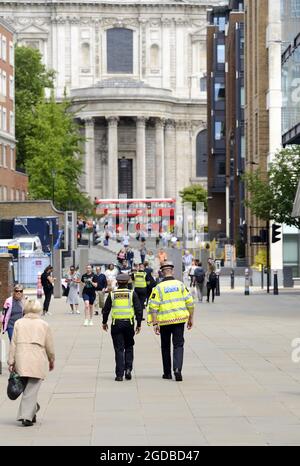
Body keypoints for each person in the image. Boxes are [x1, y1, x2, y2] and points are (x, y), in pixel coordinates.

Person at [8, 299, 55, 427]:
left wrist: (11, 361)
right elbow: (49, 345)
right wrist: (52, 359)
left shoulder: (19, 323)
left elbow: (13, 344)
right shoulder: (44, 324)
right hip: (37, 359)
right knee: (32, 389)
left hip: (21, 358)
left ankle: (32, 410)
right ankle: (26, 417)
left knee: (28, 389)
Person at [147, 262, 194, 381]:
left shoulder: (158, 287)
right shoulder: (180, 285)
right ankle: (177, 369)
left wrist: (155, 323)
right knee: (178, 345)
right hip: (179, 320)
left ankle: (167, 373)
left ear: (162, 273)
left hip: (164, 322)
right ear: (172, 272)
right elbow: (190, 303)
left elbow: (153, 306)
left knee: (165, 346)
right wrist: (191, 318)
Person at [102, 274, 142, 381]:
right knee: (129, 346)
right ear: (128, 282)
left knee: (119, 349)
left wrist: (104, 322)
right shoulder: (132, 293)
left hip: (116, 324)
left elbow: (106, 310)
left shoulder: (112, 294)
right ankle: (128, 369)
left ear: (118, 282)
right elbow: (139, 310)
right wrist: (139, 324)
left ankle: (119, 375)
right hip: (129, 324)